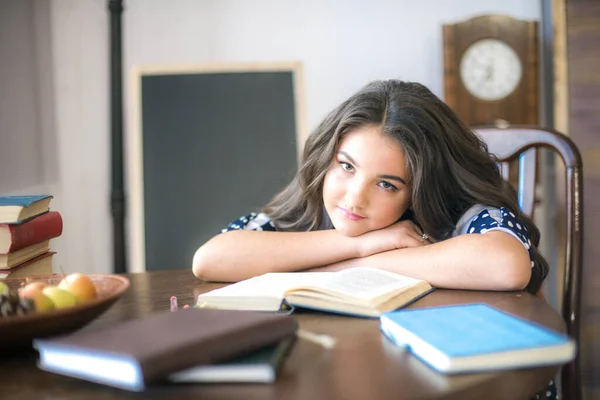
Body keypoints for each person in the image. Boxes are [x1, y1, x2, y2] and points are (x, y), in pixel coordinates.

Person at [192, 79, 557, 400]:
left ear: (417, 192)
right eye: (346, 166)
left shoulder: (457, 215)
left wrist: (353, 265)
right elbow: (210, 259)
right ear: (325, 159)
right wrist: (360, 244)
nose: (354, 197)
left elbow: (505, 264)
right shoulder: (306, 212)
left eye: (386, 184)